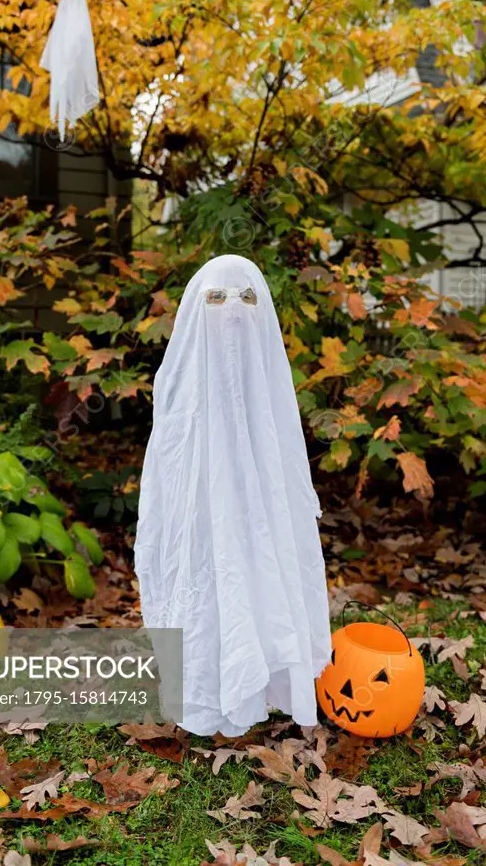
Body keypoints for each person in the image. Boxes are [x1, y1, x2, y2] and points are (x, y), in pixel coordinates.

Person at [134, 254, 332, 736]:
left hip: (259, 517)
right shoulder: (180, 387)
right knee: (206, 580)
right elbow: (168, 464)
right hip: (200, 513)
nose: (233, 311)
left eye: (247, 298)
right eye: (216, 299)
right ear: (193, 310)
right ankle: (205, 689)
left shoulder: (269, 391)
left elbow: (283, 455)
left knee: (259, 575)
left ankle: (264, 680)